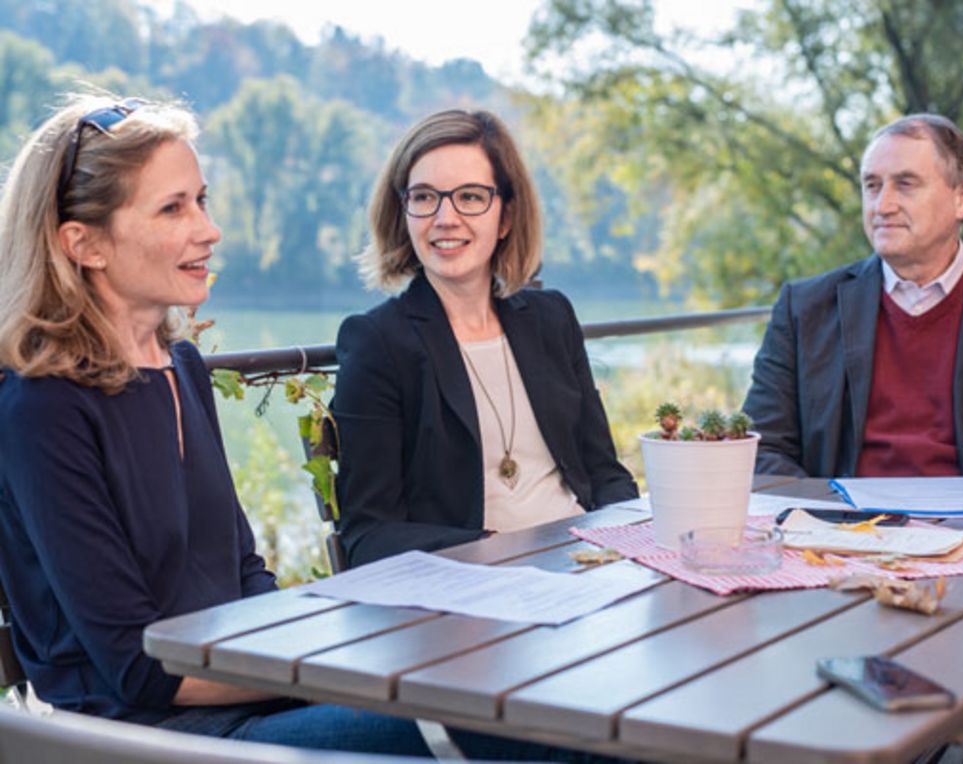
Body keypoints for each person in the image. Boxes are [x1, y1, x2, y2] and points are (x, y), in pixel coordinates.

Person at [0, 93, 432, 754]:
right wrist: (330, 667)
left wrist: (333, 651)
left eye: (201, 200)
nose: (209, 230)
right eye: (173, 207)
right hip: (139, 738)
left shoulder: (182, 367)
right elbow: (137, 667)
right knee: (489, 728)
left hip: (243, 703)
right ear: (82, 243)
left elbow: (244, 573)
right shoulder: (43, 409)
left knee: (513, 718)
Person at [332, 109, 638, 567]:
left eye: (470, 197)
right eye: (425, 197)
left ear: (507, 217)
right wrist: (493, 549)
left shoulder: (552, 319)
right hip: (477, 591)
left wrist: (632, 548)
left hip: (590, 566)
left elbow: (605, 474)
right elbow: (370, 534)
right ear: (403, 212)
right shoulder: (378, 342)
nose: (445, 218)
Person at [742, 113, 963, 478]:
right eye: (872, 186)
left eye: (905, 184)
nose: (882, 205)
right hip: (843, 527)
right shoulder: (805, 309)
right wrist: (830, 518)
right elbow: (760, 446)